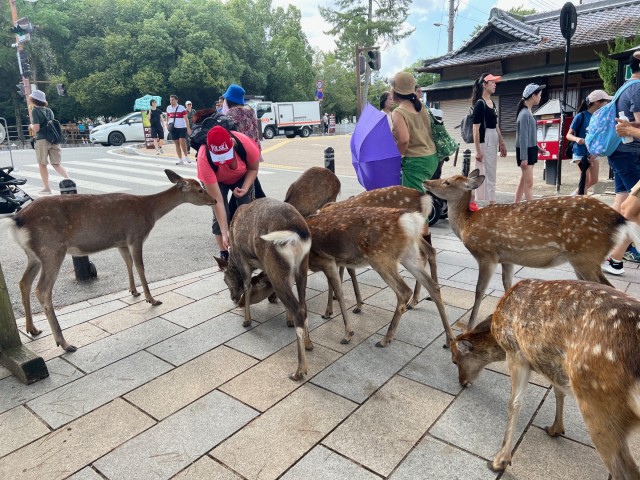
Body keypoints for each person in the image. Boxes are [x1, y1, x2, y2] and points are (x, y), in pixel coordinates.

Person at [600, 51, 640, 275]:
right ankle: (615, 257)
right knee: (634, 208)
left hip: (619, 151)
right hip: (630, 151)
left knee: (624, 202)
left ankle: (609, 253)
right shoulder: (638, 88)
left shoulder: (624, 87)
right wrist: (632, 129)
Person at [197, 126, 260, 261]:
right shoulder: (204, 158)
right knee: (220, 214)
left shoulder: (245, 144)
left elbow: (254, 169)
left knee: (246, 211)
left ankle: (247, 249)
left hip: (242, 176)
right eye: (218, 157)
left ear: (231, 142)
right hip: (217, 181)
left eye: (225, 155)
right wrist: (225, 232)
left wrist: (245, 187)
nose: (221, 161)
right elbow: (217, 201)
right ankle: (224, 252)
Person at [391, 72, 438, 192]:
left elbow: (404, 140)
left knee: (414, 205)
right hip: (431, 157)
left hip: (416, 161)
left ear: (394, 92)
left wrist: (396, 159)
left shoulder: (398, 112)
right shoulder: (421, 106)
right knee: (422, 199)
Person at [222, 83, 266, 200]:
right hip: (254, 151)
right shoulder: (250, 110)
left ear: (229, 100)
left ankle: (232, 214)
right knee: (251, 182)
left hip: (242, 153)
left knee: (245, 187)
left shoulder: (231, 113)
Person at [565, 90, 612, 195]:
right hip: (580, 152)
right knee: (585, 180)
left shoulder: (600, 116)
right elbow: (568, 135)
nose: (607, 104)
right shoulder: (580, 116)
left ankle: (574, 196)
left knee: (594, 180)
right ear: (597, 102)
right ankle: (583, 205)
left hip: (593, 153)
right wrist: (577, 139)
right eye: (605, 101)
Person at [472, 73, 508, 204]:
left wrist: (502, 143)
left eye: (495, 82)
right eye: (492, 82)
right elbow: (475, 128)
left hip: (492, 136)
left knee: (490, 170)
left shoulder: (492, 103)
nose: (495, 84)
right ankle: (487, 201)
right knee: (484, 171)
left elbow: (496, 124)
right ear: (484, 85)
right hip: (485, 138)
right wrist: (477, 150)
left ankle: (489, 200)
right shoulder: (480, 104)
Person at [28, 89, 70, 194]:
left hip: (42, 139)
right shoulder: (49, 111)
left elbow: (37, 128)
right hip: (54, 139)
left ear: (34, 99)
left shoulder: (35, 111)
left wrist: (31, 126)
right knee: (56, 163)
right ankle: (69, 180)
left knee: (42, 164)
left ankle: (47, 188)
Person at [514, 83, 547, 203]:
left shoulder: (527, 112)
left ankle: (515, 205)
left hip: (529, 150)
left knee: (524, 182)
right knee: (529, 184)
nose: (540, 97)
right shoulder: (524, 114)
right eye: (539, 95)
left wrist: (537, 147)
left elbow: (528, 135)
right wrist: (524, 158)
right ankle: (531, 211)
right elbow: (523, 137)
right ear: (533, 96)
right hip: (526, 152)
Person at [166, 95, 192, 165]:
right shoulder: (168, 108)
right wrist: (167, 124)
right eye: (170, 100)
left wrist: (188, 128)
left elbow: (186, 119)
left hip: (182, 127)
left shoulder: (181, 108)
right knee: (176, 143)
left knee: (182, 141)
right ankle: (180, 159)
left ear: (176, 100)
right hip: (173, 128)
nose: (171, 101)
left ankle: (186, 156)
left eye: (173, 100)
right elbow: (167, 116)